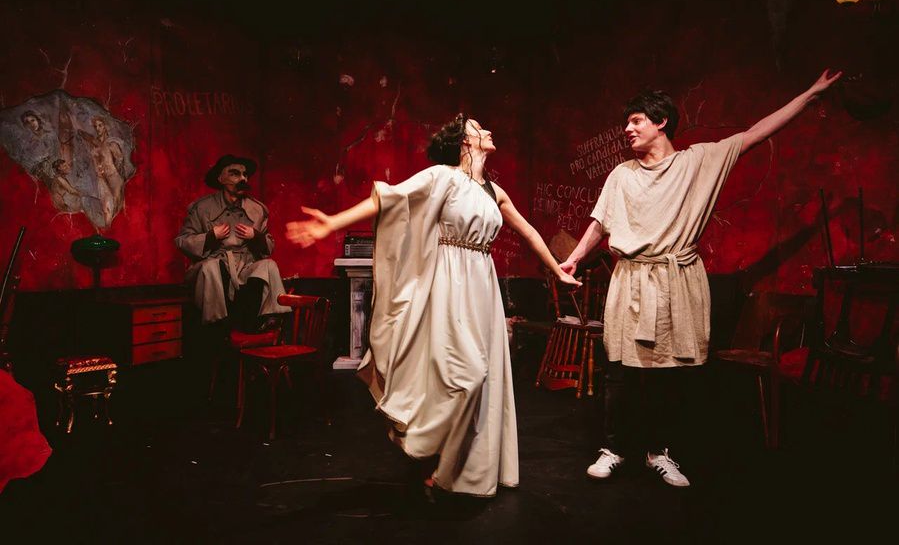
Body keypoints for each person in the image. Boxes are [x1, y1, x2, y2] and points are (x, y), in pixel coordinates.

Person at [561, 70, 842, 487]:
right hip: (632, 279)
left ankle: (660, 452)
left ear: (661, 122)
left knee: (668, 372)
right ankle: (614, 448)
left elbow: (756, 133)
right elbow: (600, 224)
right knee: (619, 369)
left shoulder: (698, 162)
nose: (627, 129)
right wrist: (573, 259)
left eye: (636, 120)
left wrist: (809, 95)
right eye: (626, 122)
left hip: (675, 280)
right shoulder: (621, 174)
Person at [286, 114, 581, 497]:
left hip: (482, 283)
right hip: (448, 282)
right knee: (464, 373)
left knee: (481, 375)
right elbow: (387, 197)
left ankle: (457, 470)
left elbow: (528, 231)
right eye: (479, 128)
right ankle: (430, 451)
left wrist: (557, 270)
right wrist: (331, 223)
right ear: (464, 141)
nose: (488, 131)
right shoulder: (442, 176)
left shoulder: (494, 191)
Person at [175, 154, 290, 331]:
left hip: (244, 267)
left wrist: (256, 236)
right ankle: (217, 325)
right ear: (220, 178)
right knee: (211, 267)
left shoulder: (257, 209)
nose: (243, 179)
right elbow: (182, 241)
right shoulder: (202, 208)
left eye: (245, 174)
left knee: (269, 265)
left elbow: (269, 246)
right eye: (235, 173)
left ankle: (272, 319)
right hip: (214, 266)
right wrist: (210, 236)